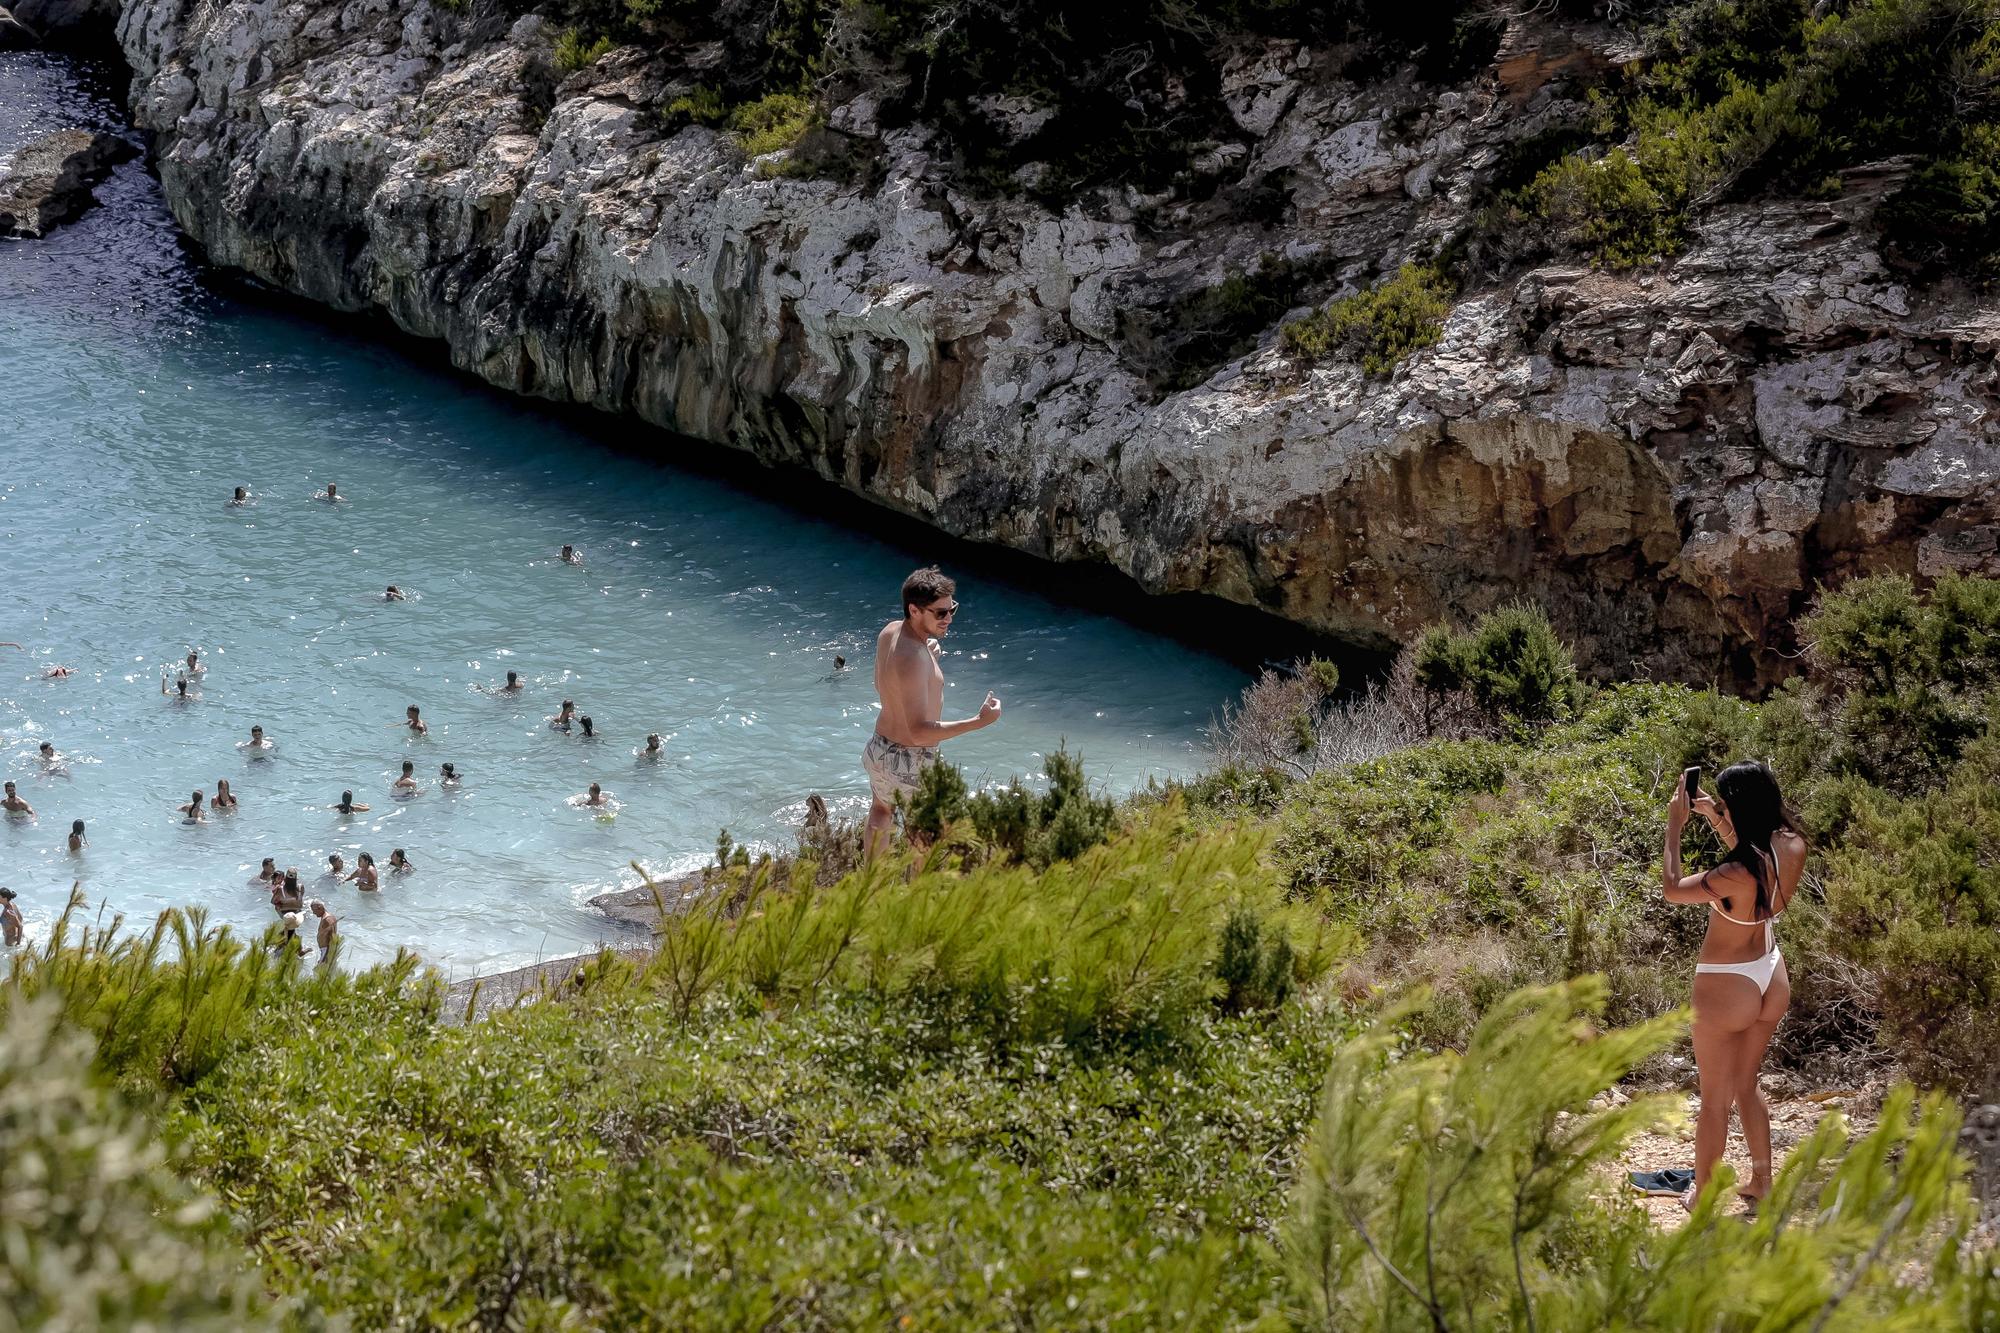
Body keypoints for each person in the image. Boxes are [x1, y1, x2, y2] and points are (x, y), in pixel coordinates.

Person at [1663, 760, 1806, 1214]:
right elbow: (1752, 859)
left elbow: (1672, 888)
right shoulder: (1791, 845)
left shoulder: (1733, 874)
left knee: (1714, 1100)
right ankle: (1762, 1181)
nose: (1720, 805)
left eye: (1725, 802)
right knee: (1746, 1082)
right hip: (1770, 974)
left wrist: (1674, 828)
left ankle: (1704, 1196)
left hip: (1727, 986)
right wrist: (1714, 817)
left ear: (1740, 807)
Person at [864, 566, 1000, 859]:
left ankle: (869, 891)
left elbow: (881, 684)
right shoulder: (914, 657)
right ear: (914, 610)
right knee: (924, 831)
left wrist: (926, 655)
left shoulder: (890, 632)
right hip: (911, 758)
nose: (949, 618)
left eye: (952, 610)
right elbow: (918, 730)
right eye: (940, 613)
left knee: (880, 811)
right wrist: (978, 722)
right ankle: (919, 896)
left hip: (878, 748)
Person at [310, 899, 337, 964]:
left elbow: (332, 938)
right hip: (325, 950)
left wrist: (324, 957)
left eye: (314, 910)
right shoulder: (327, 917)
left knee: (319, 970)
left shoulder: (327, 919)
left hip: (327, 950)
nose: (313, 913)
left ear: (320, 908)